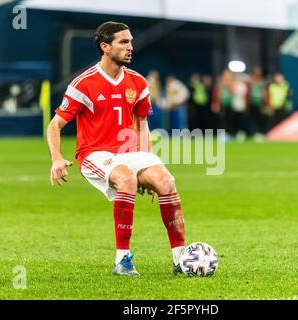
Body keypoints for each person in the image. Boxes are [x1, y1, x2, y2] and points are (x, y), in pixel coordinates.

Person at [46, 22, 186, 277]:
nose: (130, 47)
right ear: (105, 47)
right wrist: (57, 159)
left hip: (129, 152)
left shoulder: (138, 82)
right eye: (123, 42)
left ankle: (181, 260)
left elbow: (143, 126)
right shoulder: (83, 84)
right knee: (126, 178)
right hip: (94, 153)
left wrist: (150, 163)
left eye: (130, 41)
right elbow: (55, 125)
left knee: (166, 181)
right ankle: (122, 260)